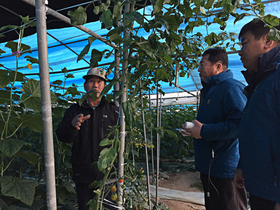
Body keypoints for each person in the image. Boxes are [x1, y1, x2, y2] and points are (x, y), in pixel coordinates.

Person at [181, 47, 247, 210]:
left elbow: (240, 125)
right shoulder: (210, 90)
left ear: (218, 66)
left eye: (202, 64)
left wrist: (203, 131)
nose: (199, 69)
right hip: (210, 165)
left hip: (224, 167)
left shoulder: (230, 88)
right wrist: (196, 130)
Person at [56, 67, 119, 210]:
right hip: (83, 173)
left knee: (109, 206)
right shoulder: (74, 110)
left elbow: (122, 139)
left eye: (99, 82)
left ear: (105, 87)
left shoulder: (113, 110)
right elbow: (61, 136)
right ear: (85, 86)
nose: (95, 85)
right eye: (91, 81)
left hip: (108, 175)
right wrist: (72, 126)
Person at [234, 18, 280, 210]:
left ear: (267, 41)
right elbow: (258, 129)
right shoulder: (262, 81)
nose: (240, 51)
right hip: (262, 187)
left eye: (244, 43)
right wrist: (243, 165)